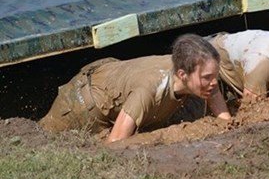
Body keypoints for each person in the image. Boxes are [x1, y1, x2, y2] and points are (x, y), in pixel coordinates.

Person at [39, 34, 230, 143]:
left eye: (215, 76)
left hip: (113, 87)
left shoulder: (195, 75)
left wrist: (226, 124)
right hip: (83, 105)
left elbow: (224, 119)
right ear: (183, 74)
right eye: (207, 78)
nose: (213, 83)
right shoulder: (149, 90)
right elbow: (115, 144)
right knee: (43, 138)